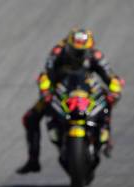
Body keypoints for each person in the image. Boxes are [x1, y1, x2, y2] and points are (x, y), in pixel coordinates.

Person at [18, 27, 124, 173]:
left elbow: (111, 77)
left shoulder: (96, 56)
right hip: (60, 92)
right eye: (75, 51)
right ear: (68, 46)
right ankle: (33, 160)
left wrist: (115, 90)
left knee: (107, 101)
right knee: (29, 118)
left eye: (82, 51)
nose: (78, 55)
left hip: (88, 93)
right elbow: (46, 75)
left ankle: (106, 135)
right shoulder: (57, 53)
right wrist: (45, 90)